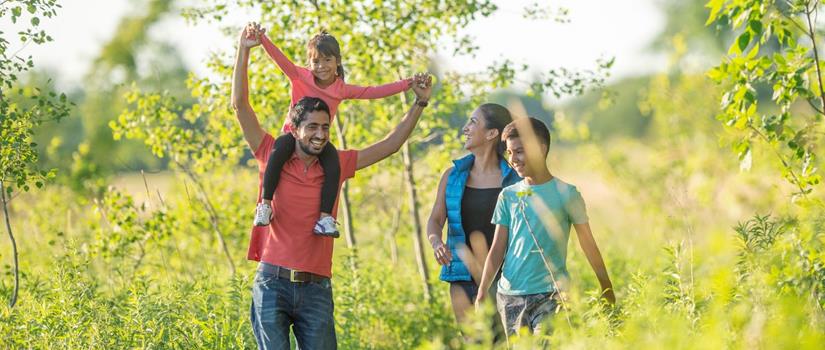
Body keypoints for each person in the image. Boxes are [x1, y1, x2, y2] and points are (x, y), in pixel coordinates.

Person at [232, 23, 432, 349]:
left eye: (325, 127)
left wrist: (417, 101)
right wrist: (245, 49)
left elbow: (390, 145)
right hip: (272, 283)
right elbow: (240, 104)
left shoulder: (336, 162)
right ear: (296, 128)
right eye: (312, 127)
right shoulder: (270, 151)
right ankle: (263, 206)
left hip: (315, 289)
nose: (320, 134)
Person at [252, 23, 416, 237]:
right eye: (316, 61)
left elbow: (374, 91)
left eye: (327, 60)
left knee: (333, 166)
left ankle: (325, 218)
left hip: (318, 141)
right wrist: (261, 38)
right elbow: (279, 59)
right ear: (309, 63)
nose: (321, 66)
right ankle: (265, 205)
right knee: (278, 149)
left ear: (337, 62)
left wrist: (408, 83)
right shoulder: (299, 76)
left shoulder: (341, 89)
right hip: (293, 136)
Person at [475, 117, 615, 339]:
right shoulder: (508, 196)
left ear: (540, 148)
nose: (513, 159)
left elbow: (588, 244)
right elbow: (497, 249)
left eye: (519, 151)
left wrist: (606, 287)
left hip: (552, 294)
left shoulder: (567, 194)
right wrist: (482, 292)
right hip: (510, 296)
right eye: (509, 153)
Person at [426, 103, 519, 330]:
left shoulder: (514, 180)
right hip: (462, 278)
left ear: (492, 133)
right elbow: (435, 220)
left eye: (473, 122)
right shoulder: (452, 176)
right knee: (473, 342)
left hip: (504, 279)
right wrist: (436, 242)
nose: (465, 128)